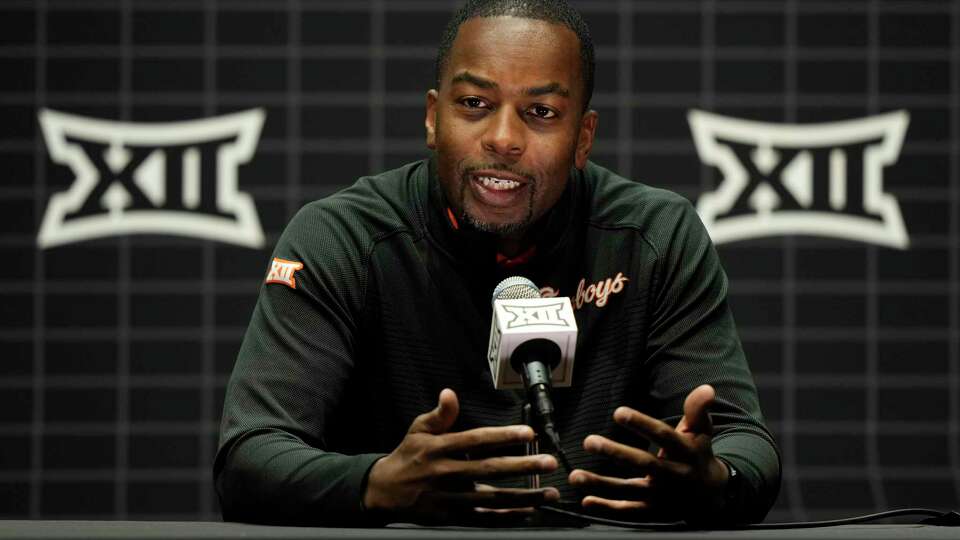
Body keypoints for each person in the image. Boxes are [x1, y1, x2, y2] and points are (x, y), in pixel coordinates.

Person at [215, 0, 780, 527]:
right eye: (475, 105)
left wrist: (712, 481)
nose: (504, 138)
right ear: (434, 118)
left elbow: (745, 445)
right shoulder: (345, 238)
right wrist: (378, 482)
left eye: (540, 111)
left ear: (583, 138)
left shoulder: (653, 236)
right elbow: (250, 457)